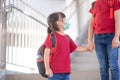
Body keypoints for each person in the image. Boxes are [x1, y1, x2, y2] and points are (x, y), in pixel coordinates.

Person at [43, 12, 89, 80]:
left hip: (66, 72)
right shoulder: (51, 36)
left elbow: (75, 48)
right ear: (58, 23)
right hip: (54, 73)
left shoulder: (67, 37)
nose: (66, 22)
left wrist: (88, 49)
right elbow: (46, 53)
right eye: (64, 20)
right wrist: (47, 69)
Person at [88, 0, 120, 80]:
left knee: (113, 65)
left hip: (111, 37)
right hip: (98, 38)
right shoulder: (95, 4)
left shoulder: (115, 1)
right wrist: (90, 41)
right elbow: (91, 24)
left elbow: (118, 20)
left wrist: (116, 37)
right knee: (103, 67)